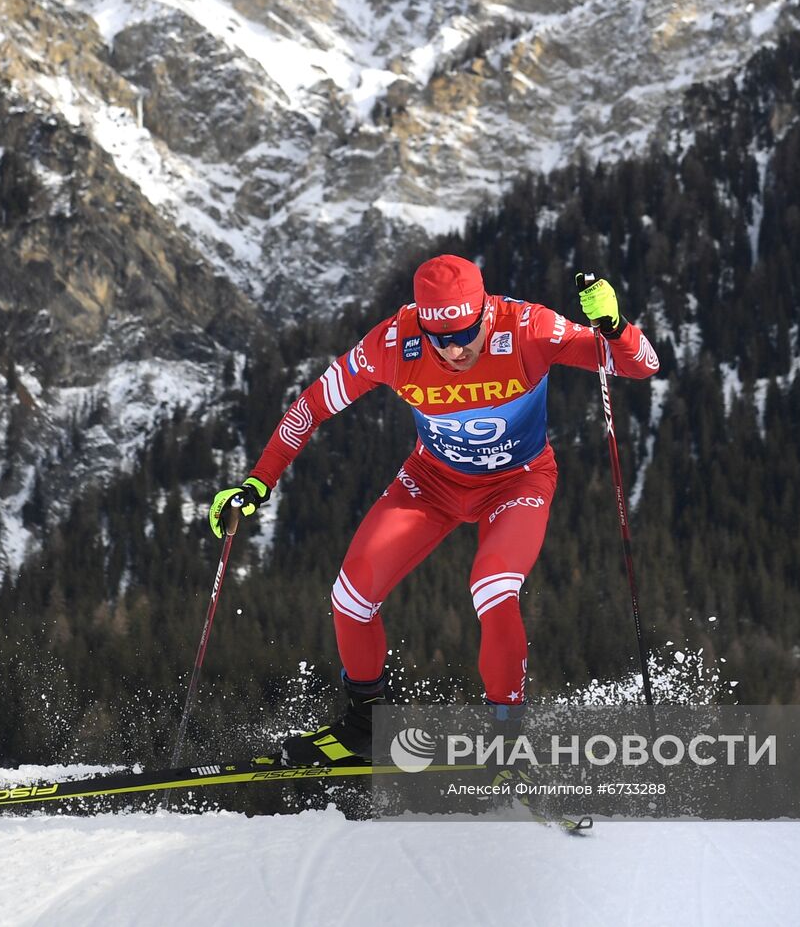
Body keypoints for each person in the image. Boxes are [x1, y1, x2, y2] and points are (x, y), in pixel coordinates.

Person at [207, 254, 659, 764]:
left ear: (485, 312)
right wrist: (256, 482)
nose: (455, 349)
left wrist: (615, 326)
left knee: (492, 589)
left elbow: (639, 364)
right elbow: (311, 406)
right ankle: (366, 724)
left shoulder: (529, 327)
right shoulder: (394, 343)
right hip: (434, 480)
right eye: (440, 337)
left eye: (465, 333)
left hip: (517, 481)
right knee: (350, 596)